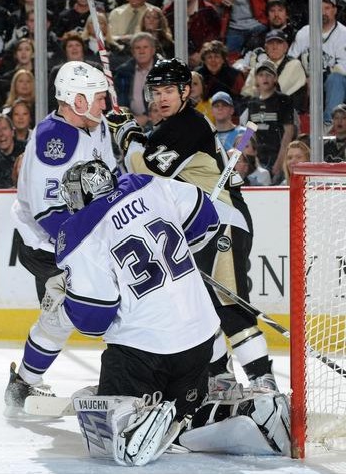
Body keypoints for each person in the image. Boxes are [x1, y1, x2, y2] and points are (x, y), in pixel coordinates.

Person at [55, 160, 290, 466]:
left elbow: (94, 316)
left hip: (143, 352)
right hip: (201, 341)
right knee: (184, 416)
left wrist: (67, 299)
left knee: (105, 419)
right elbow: (204, 215)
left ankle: (133, 423)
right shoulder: (147, 184)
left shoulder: (80, 230)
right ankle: (243, 412)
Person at [106, 58, 278, 395]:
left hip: (222, 222)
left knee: (229, 306)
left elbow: (145, 169)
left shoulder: (187, 124)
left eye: (169, 89)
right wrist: (135, 136)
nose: (162, 97)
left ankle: (263, 383)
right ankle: (220, 380)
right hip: (200, 230)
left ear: (185, 91)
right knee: (202, 310)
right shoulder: (168, 128)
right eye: (156, 91)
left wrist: (128, 135)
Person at [3, 61, 117, 413]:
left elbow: (111, 178)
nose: (105, 105)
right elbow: (49, 214)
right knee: (80, 309)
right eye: (99, 99)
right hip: (49, 245)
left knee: (74, 311)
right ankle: (27, 383)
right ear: (76, 100)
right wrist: (88, 251)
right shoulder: (55, 139)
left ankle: (24, 382)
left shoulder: (94, 125)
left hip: (81, 238)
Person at [288, 0, 346, 132]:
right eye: (319, 8)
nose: (322, 12)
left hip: (333, 82)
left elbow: (343, 67)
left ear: (335, 10)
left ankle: (328, 124)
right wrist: (304, 78)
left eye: (327, 8)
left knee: (336, 79)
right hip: (258, 145)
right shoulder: (254, 107)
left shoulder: (343, 34)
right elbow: (290, 61)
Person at [240, 59, 295, 181]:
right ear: (256, 79)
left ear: (275, 78)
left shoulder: (284, 100)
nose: (265, 78)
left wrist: (280, 162)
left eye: (268, 75)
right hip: (258, 158)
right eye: (261, 75)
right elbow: (249, 133)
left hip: (277, 156)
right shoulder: (252, 103)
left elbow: (288, 132)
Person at [241, 29, 307, 114]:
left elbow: (275, 91)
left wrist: (256, 91)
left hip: (287, 115)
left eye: (279, 43)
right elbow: (246, 94)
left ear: (285, 47)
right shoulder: (259, 66)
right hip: (262, 112)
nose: (274, 47)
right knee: (247, 116)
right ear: (265, 47)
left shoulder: (294, 64)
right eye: (271, 43)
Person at [114, 31, 160, 128]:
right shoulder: (123, 72)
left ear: (153, 50)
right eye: (137, 48)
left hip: (158, 119)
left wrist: (147, 116)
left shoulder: (162, 71)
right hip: (129, 121)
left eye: (145, 47)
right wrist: (129, 118)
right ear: (132, 52)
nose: (141, 51)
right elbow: (119, 100)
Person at [196, 40, 246, 117]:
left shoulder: (235, 75)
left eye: (217, 56)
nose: (213, 61)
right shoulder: (197, 75)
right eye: (209, 57)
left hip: (230, 117)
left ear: (223, 59)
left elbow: (244, 100)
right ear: (204, 61)